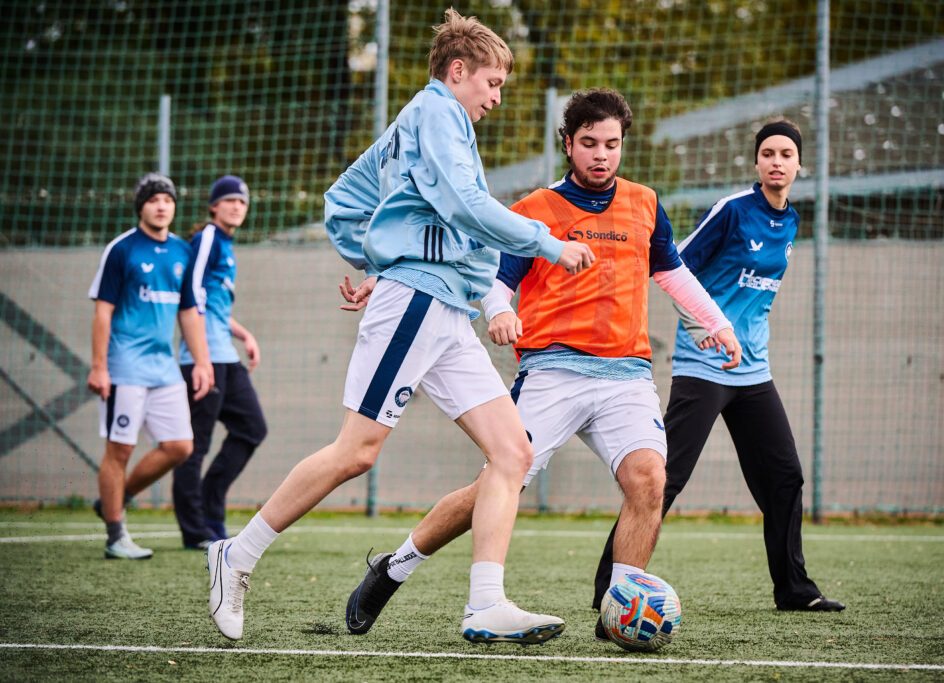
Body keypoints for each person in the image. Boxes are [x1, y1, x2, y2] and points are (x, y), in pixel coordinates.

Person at [204, 9, 594, 644]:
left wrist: (376, 261)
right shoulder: (437, 112)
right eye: (492, 83)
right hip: (416, 302)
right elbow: (467, 208)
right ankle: (236, 555)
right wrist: (547, 244)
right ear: (458, 71)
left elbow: (347, 203)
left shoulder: (429, 124)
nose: (496, 97)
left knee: (512, 451)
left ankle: (486, 604)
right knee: (356, 451)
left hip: (441, 309)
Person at [341, 88, 742, 639]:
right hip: (552, 370)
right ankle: (394, 568)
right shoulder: (534, 210)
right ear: (569, 144)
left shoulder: (645, 203)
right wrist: (500, 312)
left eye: (612, 144)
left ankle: (619, 608)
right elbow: (492, 279)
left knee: (649, 480)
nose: (601, 155)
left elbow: (671, 272)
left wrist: (715, 323)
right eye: (589, 143)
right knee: (493, 487)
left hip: (626, 375)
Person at [592, 119, 846, 617]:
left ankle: (794, 589)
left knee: (784, 476)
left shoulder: (790, 221)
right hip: (703, 368)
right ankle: (610, 588)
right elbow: (675, 264)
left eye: (786, 154)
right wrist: (699, 326)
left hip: (753, 373)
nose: (777, 161)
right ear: (756, 162)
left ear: (799, 164)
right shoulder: (732, 211)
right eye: (768, 153)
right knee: (663, 480)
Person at [87, 172, 214, 560]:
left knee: (180, 446)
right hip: (124, 367)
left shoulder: (182, 252)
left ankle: (118, 496)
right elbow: (103, 313)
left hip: (164, 368)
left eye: (168, 200)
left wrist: (202, 363)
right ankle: (115, 535)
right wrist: (99, 367)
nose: (162, 206)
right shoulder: (122, 249)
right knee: (119, 451)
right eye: (153, 199)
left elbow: (190, 312)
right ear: (140, 206)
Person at [172, 176, 268, 550]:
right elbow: (190, 296)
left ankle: (210, 512)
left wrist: (243, 335)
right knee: (194, 445)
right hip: (203, 360)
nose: (236, 207)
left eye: (242, 202)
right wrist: (200, 359)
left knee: (252, 428)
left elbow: (212, 306)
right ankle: (195, 531)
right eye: (228, 200)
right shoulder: (209, 238)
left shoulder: (225, 246)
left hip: (225, 358)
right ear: (214, 206)